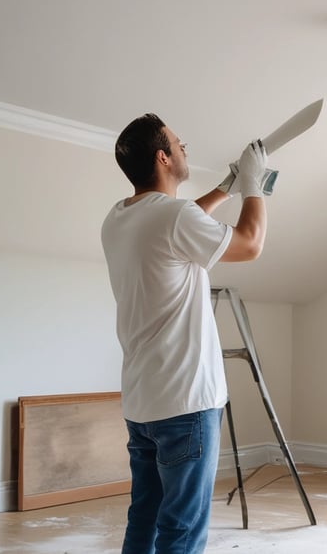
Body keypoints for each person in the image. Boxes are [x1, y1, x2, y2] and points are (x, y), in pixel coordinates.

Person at [101, 113, 268, 554]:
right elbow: (250, 243)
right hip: (186, 404)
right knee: (182, 529)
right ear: (163, 157)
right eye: (179, 144)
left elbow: (178, 220)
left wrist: (225, 188)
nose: (184, 150)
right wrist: (253, 184)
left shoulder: (118, 218)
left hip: (143, 403)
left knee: (145, 517)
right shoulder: (174, 218)